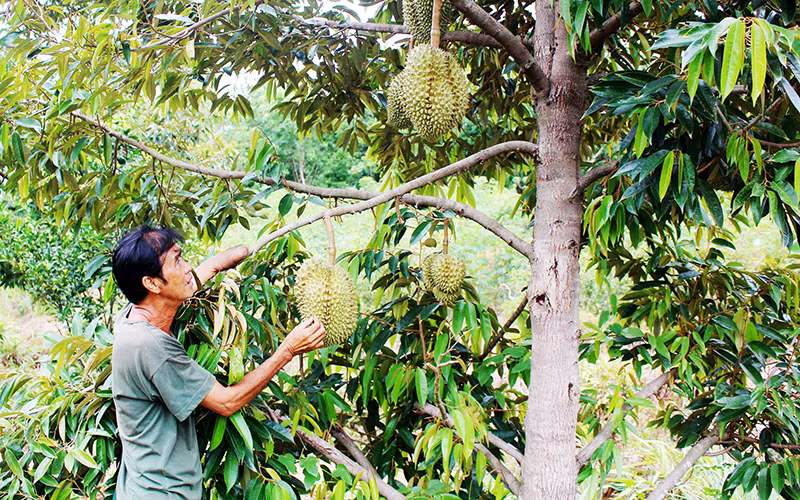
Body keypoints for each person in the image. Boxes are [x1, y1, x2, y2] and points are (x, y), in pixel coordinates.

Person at [110, 226, 325, 499]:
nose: (187, 267)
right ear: (151, 283)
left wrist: (224, 261)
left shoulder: (131, 315)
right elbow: (227, 402)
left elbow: (177, 289)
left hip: (137, 487)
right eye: (177, 261)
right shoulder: (151, 347)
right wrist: (288, 349)